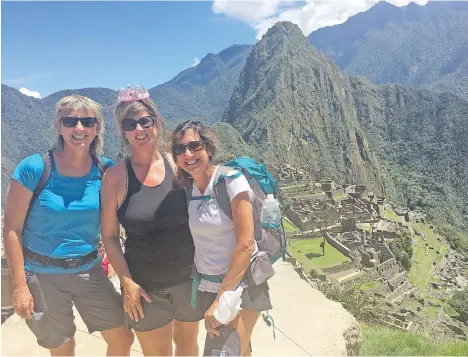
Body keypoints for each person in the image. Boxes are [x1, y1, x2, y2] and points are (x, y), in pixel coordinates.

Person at [3, 95, 134, 356]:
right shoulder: (34, 168)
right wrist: (20, 287)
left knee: (122, 338)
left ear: (97, 127)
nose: (79, 128)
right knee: (63, 348)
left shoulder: (105, 169)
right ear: (58, 126)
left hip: (89, 270)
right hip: (42, 274)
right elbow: (11, 230)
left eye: (87, 121)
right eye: (70, 121)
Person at [100, 85, 203, 356]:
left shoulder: (178, 165)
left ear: (156, 123)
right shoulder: (115, 177)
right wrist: (127, 283)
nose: (139, 129)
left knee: (188, 347)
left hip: (187, 279)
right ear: (123, 132)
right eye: (130, 124)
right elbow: (109, 235)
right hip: (145, 288)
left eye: (145, 121)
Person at [170, 121, 273, 356]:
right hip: (208, 287)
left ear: (208, 148)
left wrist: (220, 300)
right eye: (179, 149)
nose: (187, 154)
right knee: (238, 350)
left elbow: (246, 245)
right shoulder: (189, 189)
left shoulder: (231, 181)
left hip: (240, 287)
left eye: (194, 146)